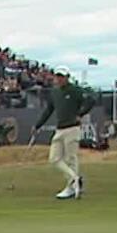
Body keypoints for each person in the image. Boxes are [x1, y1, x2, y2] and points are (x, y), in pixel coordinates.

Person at [33, 66, 96, 200]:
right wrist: (38, 125)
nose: (59, 79)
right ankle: (75, 179)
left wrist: (80, 113)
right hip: (60, 129)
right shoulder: (55, 92)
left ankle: (71, 188)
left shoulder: (75, 90)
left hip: (72, 128)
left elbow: (91, 100)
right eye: (58, 76)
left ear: (67, 77)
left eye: (62, 76)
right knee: (54, 159)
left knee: (70, 158)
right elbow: (49, 110)